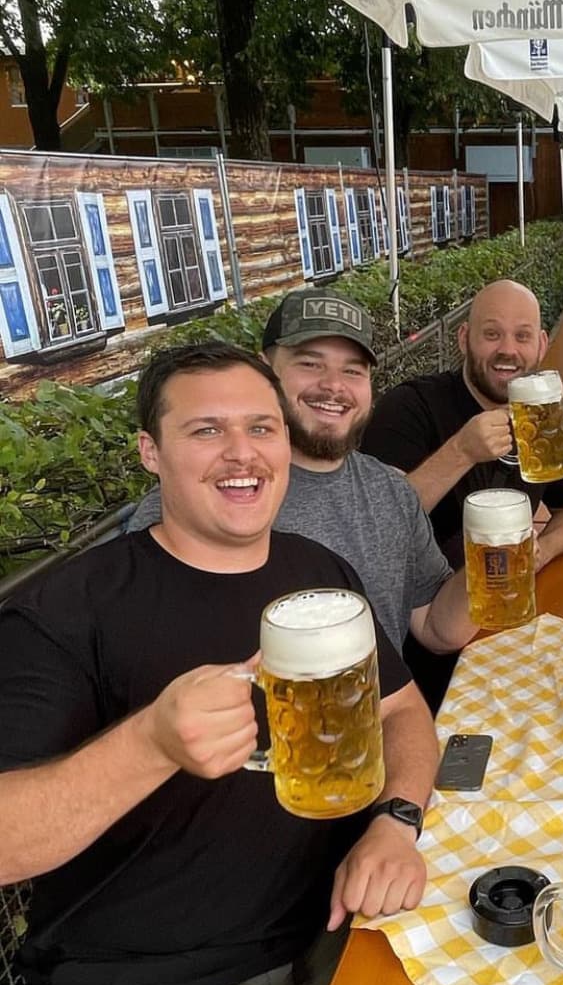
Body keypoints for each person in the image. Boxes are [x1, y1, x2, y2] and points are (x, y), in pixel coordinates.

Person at [0, 343, 440, 985]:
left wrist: (395, 820)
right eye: (207, 430)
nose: (243, 453)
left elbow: (401, 710)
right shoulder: (68, 607)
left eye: (261, 428)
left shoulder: (319, 573)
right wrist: (151, 743)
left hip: (333, 931)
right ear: (151, 451)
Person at [128, 290, 477, 713]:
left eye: (353, 370)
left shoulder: (390, 491)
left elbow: (436, 628)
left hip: (373, 742)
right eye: (310, 364)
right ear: (264, 372)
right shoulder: (201, 504)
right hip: (265, 762)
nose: (334, 386)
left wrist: (496, 560)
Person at [362, 278, 563, 703]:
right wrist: (462, 451)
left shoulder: (542, 414)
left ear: (541, 345)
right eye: (492, 334)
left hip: (506, 623)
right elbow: (377, 527)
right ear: (465, 339)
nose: (508, 349)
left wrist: (541, 551)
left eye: (522, 336)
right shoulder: (409, 409)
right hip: (425, 646)